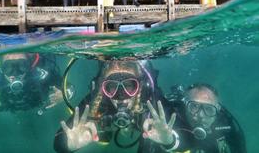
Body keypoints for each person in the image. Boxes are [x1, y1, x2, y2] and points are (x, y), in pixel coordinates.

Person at [54, 61, 185, 153]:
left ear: (139, 87)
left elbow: (190, 139)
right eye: (111, 86)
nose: (121, 96)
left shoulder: (151, 98)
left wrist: (169, 141)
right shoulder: (98, 98)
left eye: (129, 86)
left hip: (149, 129)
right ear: (103, 88)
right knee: (103, 138)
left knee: (153, 146)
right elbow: (58, 143)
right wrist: (69, 145)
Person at [166, 83, 247, 153]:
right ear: (185, 106)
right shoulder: (172, 118)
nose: (201, 115)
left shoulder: (226, 124)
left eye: (209, 108)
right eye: (194, 106)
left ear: (218, 109)